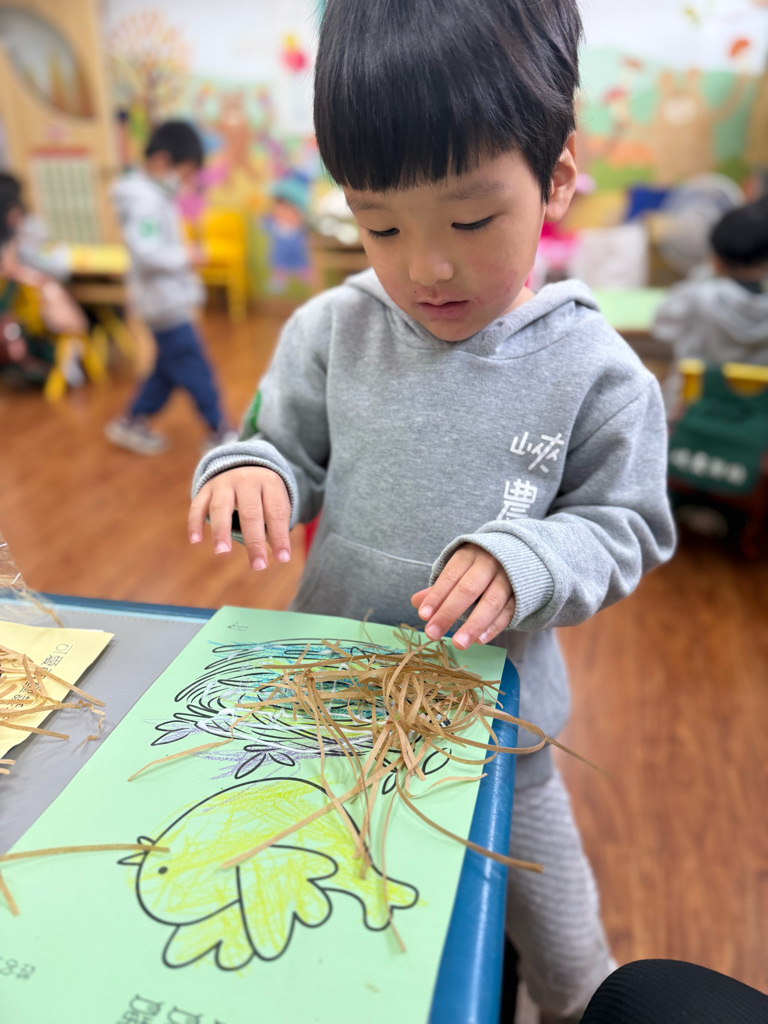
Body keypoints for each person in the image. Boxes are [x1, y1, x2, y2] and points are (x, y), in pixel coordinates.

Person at [189, 2, 676, 1019]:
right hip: (333, 709)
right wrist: (249, 472)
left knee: (568, 958)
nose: (426, 267)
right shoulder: (330, 330)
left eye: (469, 220)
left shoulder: (599, 374)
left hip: (500, 739)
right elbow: (279, 446)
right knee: (335, 935)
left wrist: (529, 558)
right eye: (381, 225)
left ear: (556, 177)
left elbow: (626, 525)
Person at [105, 121, 233, 456]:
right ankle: (219, 427)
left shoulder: (154, 195)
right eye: (184, 172)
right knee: (193, 364)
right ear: (162, 160)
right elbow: (148, 254)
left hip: (167, 299)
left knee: (167, 368)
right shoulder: (144, 201)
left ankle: (131, 421)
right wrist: (187, 256)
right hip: (162, 302)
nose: (184, 180)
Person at [653, 196, 768, 414]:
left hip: (692, 417)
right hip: (758, 422)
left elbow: (662, 326)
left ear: (715, 261)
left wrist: (702, 275)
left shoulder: (696, 298)